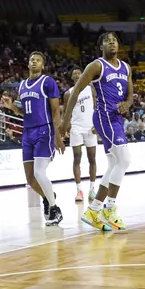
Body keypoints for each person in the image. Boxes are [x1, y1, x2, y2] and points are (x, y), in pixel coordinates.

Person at [62, 32, 133, 232]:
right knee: (124, 160)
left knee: (114, 163)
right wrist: (65, 121)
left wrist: (127, 104)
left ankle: (93, 211)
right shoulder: (96, 65)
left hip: (117, 118)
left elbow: (130, 95)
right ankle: (109, 209)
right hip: (104, 116)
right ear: (101, 46)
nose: (112, 42)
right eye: (107, 40)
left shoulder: (126, 67)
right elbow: (75, 91)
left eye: (115, 40)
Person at [1, 52, 64, 226]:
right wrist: (12, 106)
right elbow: (25, 111)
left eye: (38, 60)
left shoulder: (48, 82)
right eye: (31, 60)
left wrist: (57, 134)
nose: (34, 62)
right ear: (28, 64)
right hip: (27, 132)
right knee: (30, 178)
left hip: (44, 130)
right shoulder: (22, 85)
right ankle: (48, 196)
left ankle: (54, 209)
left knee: (39, 172)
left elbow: (55, 110)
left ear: (43, 65)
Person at [64, 67, 97, 203]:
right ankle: (79, 190)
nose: (77, 75)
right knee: (77, 158)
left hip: (90, 127)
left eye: (79, 73)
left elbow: (97, 106)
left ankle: (92, 189)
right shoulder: (68, 93)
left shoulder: (91, 89)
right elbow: (66, 112)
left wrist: (97, 123)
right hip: (76, 127)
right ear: (72, 77)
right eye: (74, 74)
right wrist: (65, 127)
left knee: (92, 159)